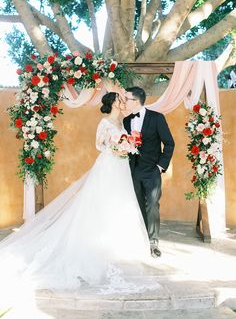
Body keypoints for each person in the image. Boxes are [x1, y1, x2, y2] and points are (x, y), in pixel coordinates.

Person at [0, 92, 158, 294]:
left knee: (120, 204)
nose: (122, 102)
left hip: (121, 168)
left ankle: (118, 246)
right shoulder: (104, 123)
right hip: (108, 166)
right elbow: (99, 145)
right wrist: (115, 148)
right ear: (112, 104)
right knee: (102, 204)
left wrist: (126, 147)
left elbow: (127, 142)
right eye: (119, 100)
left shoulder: (123, 123)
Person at [123, 87, 175, 257]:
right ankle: (142, 239)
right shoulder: (125, 121)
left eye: (127, 98)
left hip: (152, 170)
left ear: (136, 101)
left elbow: (169, 143)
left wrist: (160, 167)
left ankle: (153, 242)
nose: (124, 101)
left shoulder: (157, 118)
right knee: (137, 205)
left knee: (152, 205)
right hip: (133, 170)